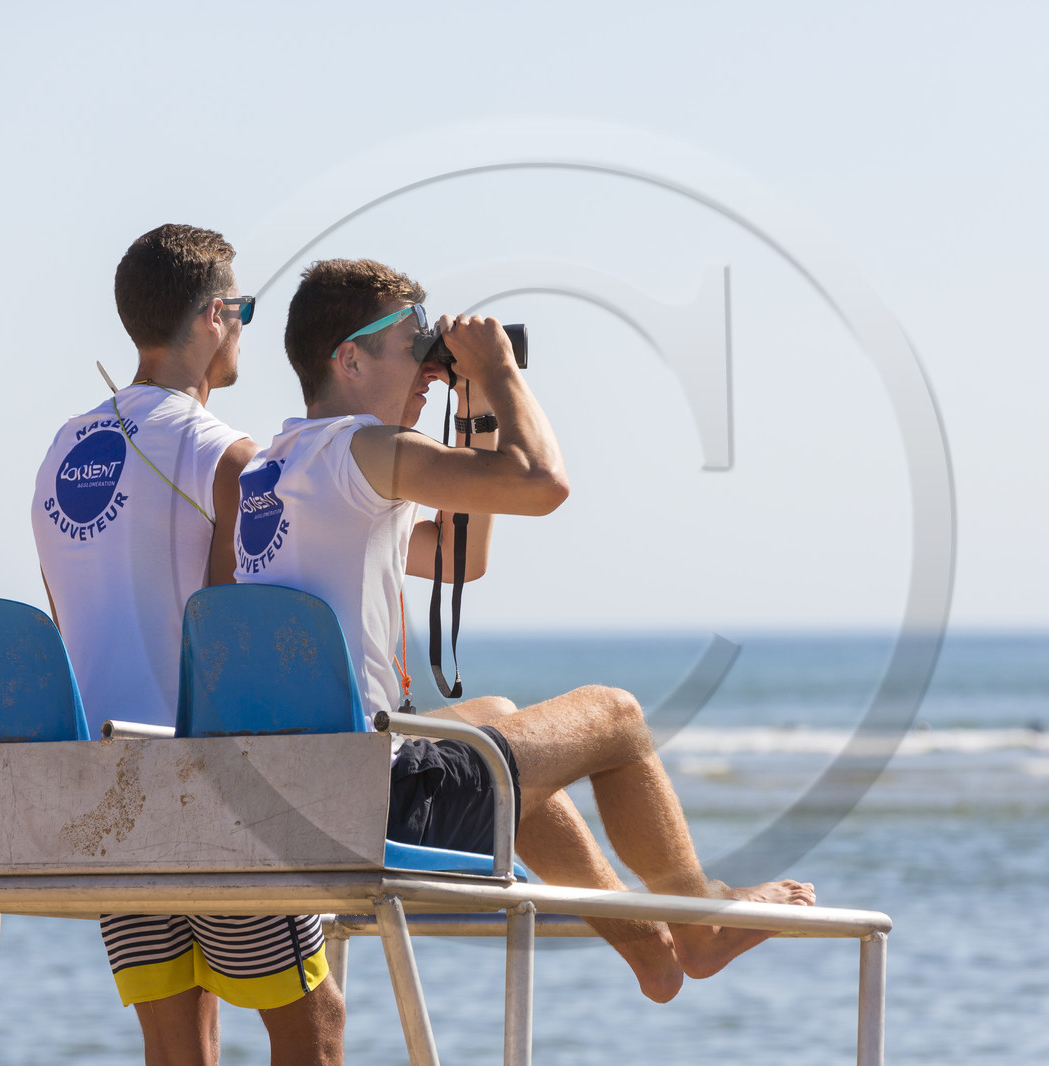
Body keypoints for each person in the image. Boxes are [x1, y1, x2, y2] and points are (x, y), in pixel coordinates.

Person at [234, 258, 816, 1004]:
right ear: (349, 358)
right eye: (414, 345)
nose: (427, 368)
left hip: (310, 786)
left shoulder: (279, 466)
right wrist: (501, 373)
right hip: (374, 801)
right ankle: (699, 923)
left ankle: (652, 952)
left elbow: (458, 556)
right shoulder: (362, 451)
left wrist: (471, 407)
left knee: (501, 720)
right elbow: (544, 483)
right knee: (615, 715)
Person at [32, 225, 343, 1065]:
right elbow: (231, 640)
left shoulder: (61, 449)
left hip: (109, 780)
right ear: (213, 315)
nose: (242, 324)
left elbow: (66, 619)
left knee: (174, 1037)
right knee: (313, 1022)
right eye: (240, 308)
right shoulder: (228, 455)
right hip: (204, 784)